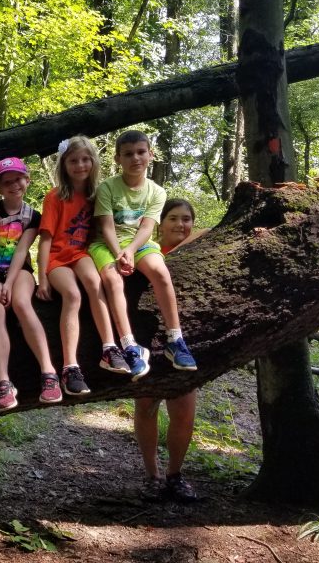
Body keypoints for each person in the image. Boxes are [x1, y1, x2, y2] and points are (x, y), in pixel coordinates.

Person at [88, 129, 198, 379]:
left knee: (160, 271)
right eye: (128, 154)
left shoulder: (157, 192)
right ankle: (129, 345)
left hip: (139, 243)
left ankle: (175, 339)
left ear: (150, 154)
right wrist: (119, 253)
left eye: (140, 152)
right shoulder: (107, 187)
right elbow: (105, 226)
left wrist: (131, 250)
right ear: (118, 159)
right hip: (107, 244)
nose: (135, 158)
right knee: (113, 280)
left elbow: (147, 226)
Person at [36, 136, 130, 397]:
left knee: (95, 282)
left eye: (85, 159)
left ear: (94, 162)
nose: (80, 165)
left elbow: (107, 229)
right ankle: (70, 367)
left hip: (82, 254)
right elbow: (45, 240)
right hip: (57, 259)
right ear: (64, 165)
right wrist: (43, 278)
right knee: (73, 294)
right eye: (74, 160)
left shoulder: (95, 195)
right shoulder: (55, 197)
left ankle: (110, 348)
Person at [134, 198, 207, 502]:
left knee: (184, 413)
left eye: (186, 219)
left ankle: (175, 476)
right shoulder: (147, 253)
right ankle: (152, 475)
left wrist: (193, 235)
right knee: (146, 408)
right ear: (159, 224)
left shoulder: (200, 253)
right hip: (148, 341)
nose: (181, 224)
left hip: (184, 346)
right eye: (174, 218)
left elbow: (210, 232)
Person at [0, 158, 61, 412]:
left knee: (23, 304)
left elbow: (22, 251)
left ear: (27, 180)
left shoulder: (33, 216)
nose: (14, 185)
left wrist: (9, 284)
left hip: (18, 271)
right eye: (7, 181)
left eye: (18, 179)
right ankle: (3, 380)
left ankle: (48, 371)